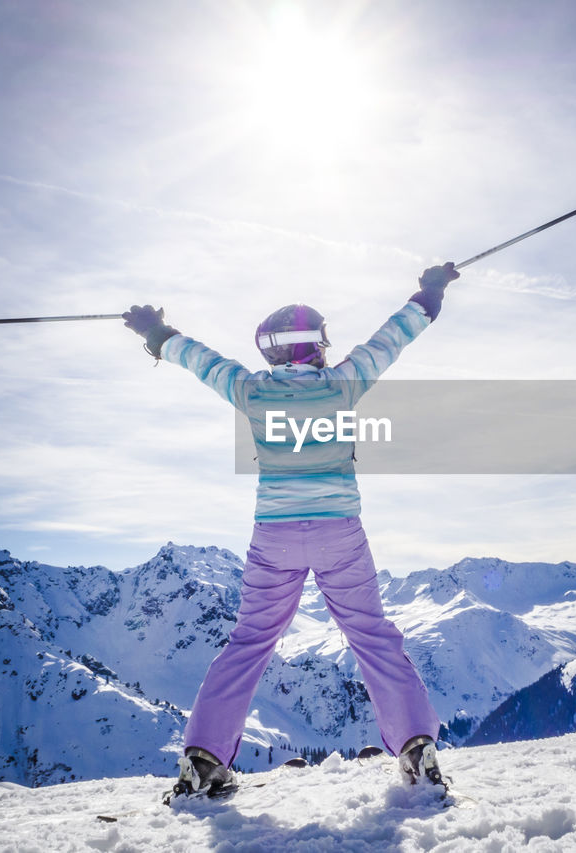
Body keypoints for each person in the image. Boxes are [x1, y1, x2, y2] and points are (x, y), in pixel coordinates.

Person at [123, 262, 460, 800]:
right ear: (315, 345)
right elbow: (395, 336)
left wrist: (154, 333)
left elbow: (199, 360)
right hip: (339, 533)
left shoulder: (251, 390)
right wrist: (431, 291)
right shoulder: (343, 382)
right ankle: (416, 752)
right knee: (372, 636)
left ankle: (206, 760)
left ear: (274, 351)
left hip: (274, 535)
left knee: (250, 640)